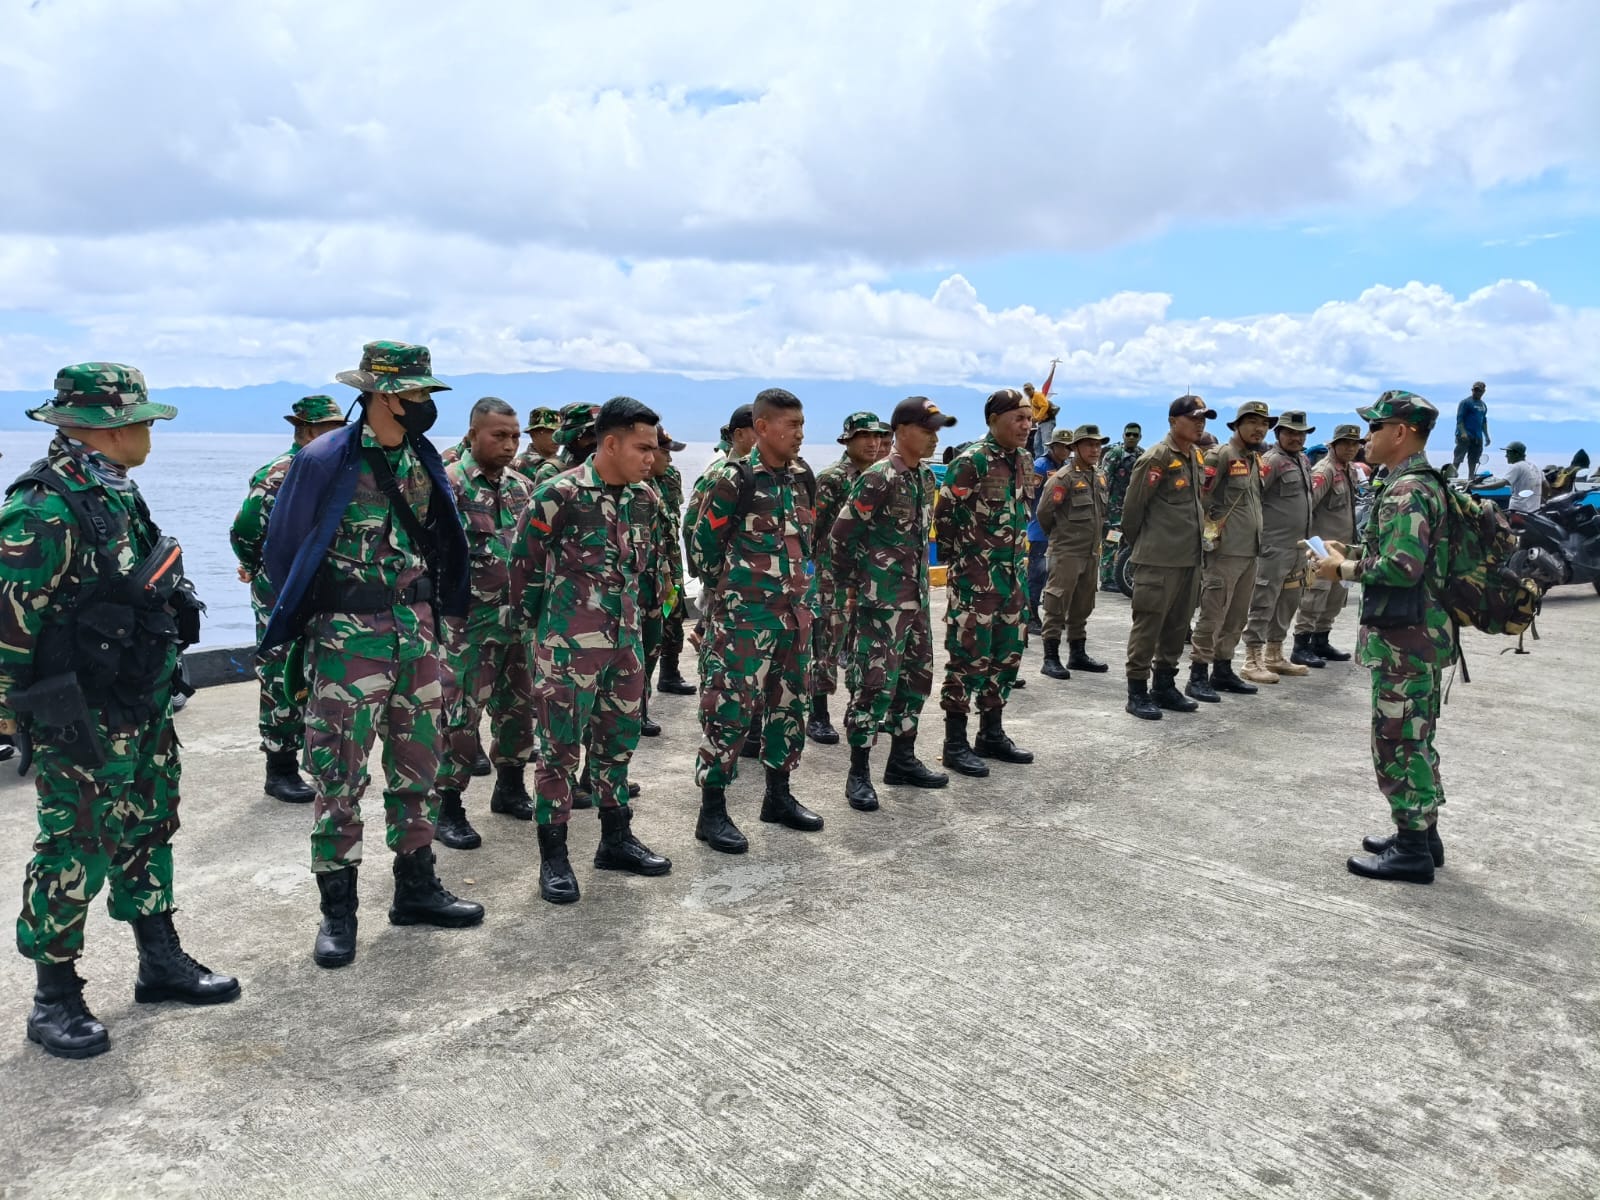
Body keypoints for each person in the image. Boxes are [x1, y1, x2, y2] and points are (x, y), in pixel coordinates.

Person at [1, 363, 238, 1060]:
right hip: (81, 715)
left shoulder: (113, 494)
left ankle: (158, 960)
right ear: (105, 427)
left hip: (138, 705)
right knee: (73, 845)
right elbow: (9, 627)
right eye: (140, 419)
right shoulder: (43, 509)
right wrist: (13, 719)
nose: (149, 431)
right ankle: (54, 996)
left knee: (147, 827)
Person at [261, 340, 482, 969]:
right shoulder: (326, 457)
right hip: (347, 639)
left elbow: (441, 539)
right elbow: (282, 548)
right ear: (383, 395)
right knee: (339, 774)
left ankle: (415, 890)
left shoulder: (420, 456)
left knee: (420, 765)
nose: (424, 405)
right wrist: (308, 620)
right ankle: (339, 912)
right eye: (415, 394)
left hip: (415, 631)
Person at [510, 396, 673, 903]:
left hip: (624, 646)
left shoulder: (645, 499)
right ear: (610, 443)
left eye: (654, 447)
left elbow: (649, 573)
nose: (652, 457)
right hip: (567, 648)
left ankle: (616, 839)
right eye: (643, 447)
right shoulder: (558, 494)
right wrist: (546, 634)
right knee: (558, 753)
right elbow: (524, 571)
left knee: (617, 746)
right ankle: (554, 858)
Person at [1308, 392, 1451, 884]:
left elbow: (1403, 567)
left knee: (1399, 740)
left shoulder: (1409, 489)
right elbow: (1397, 549)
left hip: (1404, 640)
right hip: (1416, 636)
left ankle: (1412, 850)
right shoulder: (1416, 484)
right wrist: (1345, 549)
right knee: (1416, 734)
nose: (1366, 437)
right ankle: (1423, 836)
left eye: (1375, 427)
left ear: (1401, 433)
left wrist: (1341, 569)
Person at [690, 388, 822, 853]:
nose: (800, 435)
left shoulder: (803, 477)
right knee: (729, 712)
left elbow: (809, 542)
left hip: (793, 620)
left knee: (789, 708)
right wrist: (733, 596)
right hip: (744, 623)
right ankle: (712, 812)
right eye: (791, 426)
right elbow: (702, 548)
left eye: (803, 425)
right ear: (762, 427)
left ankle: (778, 797)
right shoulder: (733, 478)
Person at [830, 397, 956, 810]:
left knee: (916, 680)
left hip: (915, 601)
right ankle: (858, 772)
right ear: (902, 430)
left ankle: (901, 759)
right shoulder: (877, 478)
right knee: (871, 687)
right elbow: (841, 537)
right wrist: (852, 593)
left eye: (937, 429)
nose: (934, 436)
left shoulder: (924, 479)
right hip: (879, 605)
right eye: (927, 428)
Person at [230, 394, 348, 804]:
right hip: (281, 587)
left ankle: (319, 757)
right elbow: (245, 529)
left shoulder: (337, 466)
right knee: (281, 672)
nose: (337, 435)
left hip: (322, 586)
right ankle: (279, 767)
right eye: (329, 428)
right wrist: (258, 568)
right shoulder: (282, 472)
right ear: (306, 429)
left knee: (321, 670)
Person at [433, 396, 538, 850]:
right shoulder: (449, 485)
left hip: (517, 623)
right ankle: (448, 807)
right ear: (473, 434)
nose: (509, 444)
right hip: (466, 628)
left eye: (515, 436)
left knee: (519, 709)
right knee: (458, 717)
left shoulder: (521, 486)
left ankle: (510, 787)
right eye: (499, 435)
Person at [935, 388, 1035, 775]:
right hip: (976, 581)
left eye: (1029, 418)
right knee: (967, 661)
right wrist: (964, 562)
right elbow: (944, 516)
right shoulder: (971, 461)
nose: (1026, 426)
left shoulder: (1024, 460)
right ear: (994, 420)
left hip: (1013, 580)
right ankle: (955, 743)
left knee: (1006, 657)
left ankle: (991, 733)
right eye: (1018, 418)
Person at [1119, 395, 1212, 719]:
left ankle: (1164, 685)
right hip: (1158, 559)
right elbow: (1133, 509)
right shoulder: (1156, 457)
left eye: (1204, 419)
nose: (1200, 424)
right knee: (1148, 625)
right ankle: (1137, 691)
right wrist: (1145, 546)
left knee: (1177, 626)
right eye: (1194, 418)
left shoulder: (1196, 456)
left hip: (1189, 558)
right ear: (1174, 421)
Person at [807, 411, 891, 744]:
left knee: (865, 648)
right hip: (834, 577)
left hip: (870, 576)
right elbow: (815, 528)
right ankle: (819, 714)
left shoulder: (883, 476)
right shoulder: (832, 478)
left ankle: (859, 712)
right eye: (865, 437)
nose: (873, 443)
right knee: (826, 646)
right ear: (848, 440)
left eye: (877, 437)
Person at [1189, 401, 1271, 698]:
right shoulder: (1221, 455)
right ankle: (1198, 673)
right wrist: (1211, 533)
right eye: (1251, 422)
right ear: (1237, 425)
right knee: (1213, 614)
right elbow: (1202, 498)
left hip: (1250, 551)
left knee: (1237, 616)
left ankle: (1222, 669)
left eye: (1263, 423)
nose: (1259, 428)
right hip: (1225, 551)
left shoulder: (1254, 459)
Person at [1243, 410, 1319, 675]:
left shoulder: (1304, 461)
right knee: (1263, 602)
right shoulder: (1271, 461)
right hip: (1273, 547)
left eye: (1300, 433)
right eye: (1290, 433)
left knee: (1288, 602)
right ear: (1279, 434)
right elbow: (1253, 497)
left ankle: (1274, 654)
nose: (1296, 438)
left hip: (1298, 548)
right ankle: (1252, 659)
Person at [1035, 425, 1112, 680]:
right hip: (1066, 552)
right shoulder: (1062, 478)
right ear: (1074, 448)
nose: (1095, 449)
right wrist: (1060, 539)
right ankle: (1051, 657)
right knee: (1056, 603)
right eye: (1089, 444)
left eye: (1098, 445)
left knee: (1083, 604)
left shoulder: (1099, 476)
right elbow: (1044, 514)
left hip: (1091, 553)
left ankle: (1077, 653)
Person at [1294, 423, 1363, 661]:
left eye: (1355, 444)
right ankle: (1301, 645)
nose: (1351, 448)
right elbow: (1307, 507)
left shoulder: (1350, 470)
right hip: (1321, 547)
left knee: (1334, 600)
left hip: (1343, 548)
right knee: (1314, 597)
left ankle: (1321, 641)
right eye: (1346, 443)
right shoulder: (1324, 471)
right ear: (1333, 445)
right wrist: (1310, 545)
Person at [640, 424, 691, 734]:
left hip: (668, 571)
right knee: (643, 647)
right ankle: (638, 708)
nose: (670, 460)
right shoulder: (634, 486)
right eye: (664, 452)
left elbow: (673, 524)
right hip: (644, 578)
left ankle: (668, 674)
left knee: (668, 628)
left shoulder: (668, 479)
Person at [1027, 429, 1073, 635]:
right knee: (1036, 576)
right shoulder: (1040, 466)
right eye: (1062, 446)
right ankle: (1030, 616)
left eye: (1068, 447)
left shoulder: (1064, 467)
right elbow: (1029, 496)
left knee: (1052, 576)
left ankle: (1049, 615)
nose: (1065, 450)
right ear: (1053, 447)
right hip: (1039, 530)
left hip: (1057, 532)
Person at [1100, 422, 1144, 590]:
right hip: (1113, 511)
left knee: (1129, 544)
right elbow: (1104, 480)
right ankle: (1107, 579)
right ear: (1123, 435)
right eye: (1128, 434)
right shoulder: (1114, 454)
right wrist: (1103, 508)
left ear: (1140, 437)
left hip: (1131, 510)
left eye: (1135, 435)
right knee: (1111, 543)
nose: (1131, 437)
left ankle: (1124, 577)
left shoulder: (1142, 455)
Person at [1452, 382, 1490, 479]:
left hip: (1477, 436)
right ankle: (1452, 475)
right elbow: (1459, 419)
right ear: (1472, 390)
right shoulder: (1465, 402)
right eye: (1474, 390)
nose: (1476, 392)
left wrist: (1486, 436)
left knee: (1474, 458)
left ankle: (1471, 476)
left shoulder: (1483, 405)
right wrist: (1463, 433)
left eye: (1479, 390)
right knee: (1458, 457)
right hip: (1464, 436)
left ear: (1483, 392)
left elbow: (1484, 421)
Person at [511, 406, 560, 477]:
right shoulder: (517, 466)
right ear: (533, 434)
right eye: (550, 432)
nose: (556, 437)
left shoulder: (564, 463)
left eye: (558, 432)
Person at [1503, 442, 1543, 515]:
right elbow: (1546, 486)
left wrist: (1478, 487)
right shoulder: (1535, 466)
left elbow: (1501, 484)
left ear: (1516, 454)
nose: (1506, 456)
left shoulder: (1516, 466)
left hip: (1517, 510)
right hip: (1535, 511)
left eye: (1508, 453)